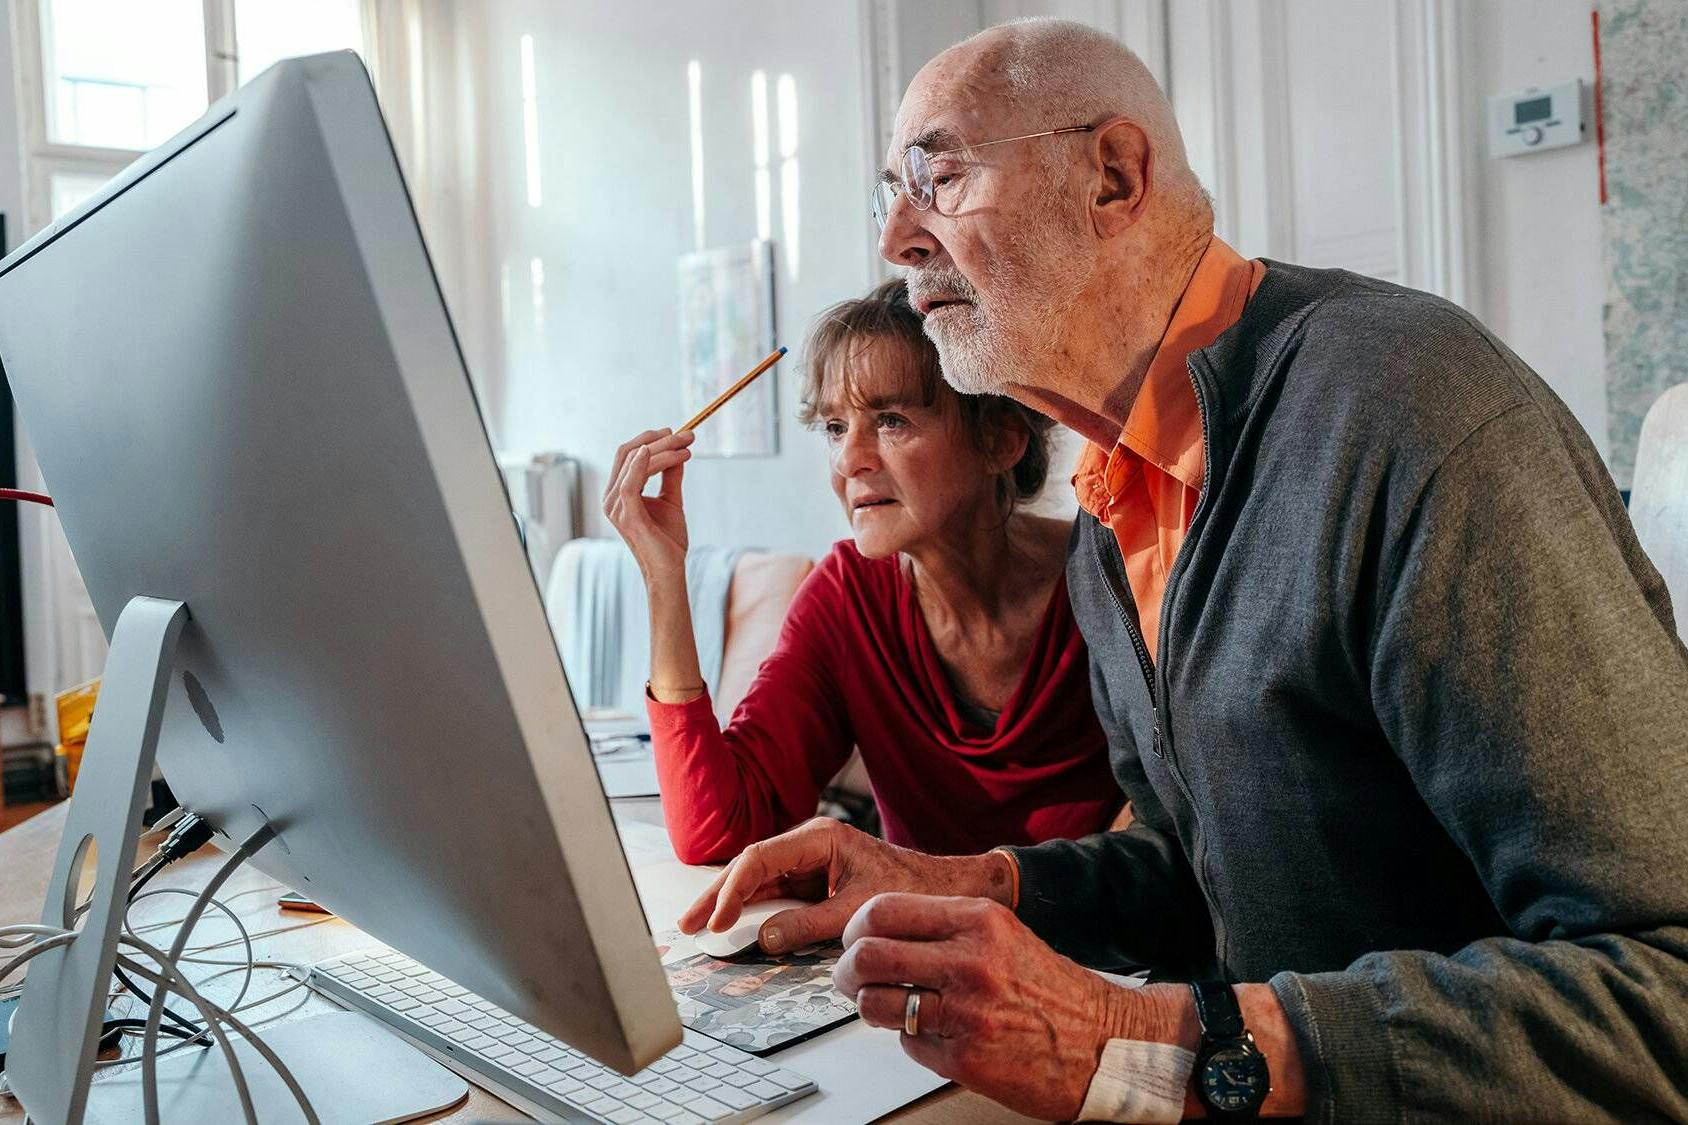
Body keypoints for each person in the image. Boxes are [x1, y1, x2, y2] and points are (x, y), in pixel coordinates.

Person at [679, 17, 1688, 1123]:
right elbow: (1201, 871)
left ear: (1112, 176)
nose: (896, 239)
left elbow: (1661, 986)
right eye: (891, 190)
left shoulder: (1406, 407)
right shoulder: (1116, 509)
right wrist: (957, 881)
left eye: (939, 175)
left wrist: (1145, 1039)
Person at [602, 279, 1118, 864]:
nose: (850, 461)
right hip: (916, 951)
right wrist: (663, 575)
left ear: (1001, 439)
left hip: (1104, 954)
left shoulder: (1113, 579)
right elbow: (716, 831)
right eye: (834, 428)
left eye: (891, 420)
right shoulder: (844, 599)